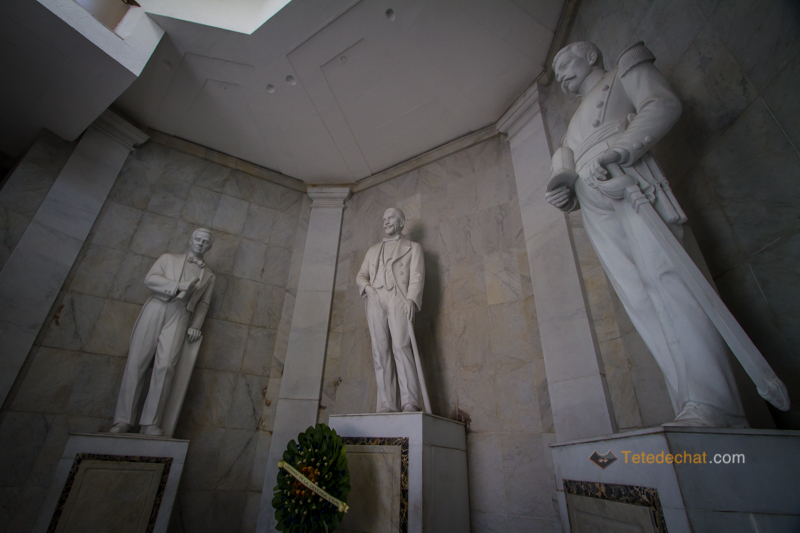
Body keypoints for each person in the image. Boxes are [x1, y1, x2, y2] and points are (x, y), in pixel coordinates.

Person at [545, 41, 747, 427]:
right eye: (555, 73)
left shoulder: (624, 70)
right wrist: (564, 196)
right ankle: (688, 401)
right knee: (639, 299)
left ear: (590, 56)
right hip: (594, 203)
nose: (560, 76)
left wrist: (622, 150)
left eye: (565, 64)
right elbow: (566, 176)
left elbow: (662, 104)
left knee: (669, 280)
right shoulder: (569, 130)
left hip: (630, 179)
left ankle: (715, 402)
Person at [109, 228, 216, 436]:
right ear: (190, 240)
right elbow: (150, 279)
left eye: (205, 242)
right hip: (157, 306)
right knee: (137, 361)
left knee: (166, 366)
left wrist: (196, 325)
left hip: (181, 313)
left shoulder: (209, 276)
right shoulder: (168, 259)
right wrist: (177, 286)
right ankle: (123, 420)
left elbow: (204, 304)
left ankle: (150, 422)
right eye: (198, 239)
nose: (200, 244)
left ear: (209, 247)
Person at [356, 208, 428, 413]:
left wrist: (411, 299)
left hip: (398, 297)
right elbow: (361, 275)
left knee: (401, 346)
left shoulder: (413, 248)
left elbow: (417, 276)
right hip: (375, 298)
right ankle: (387, 403)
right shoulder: (372, 250)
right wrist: (367, 288)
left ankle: (410, 402)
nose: (386, 222)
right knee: (380, 351)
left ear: (402, 222)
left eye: (390, 218)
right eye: (384, 219)